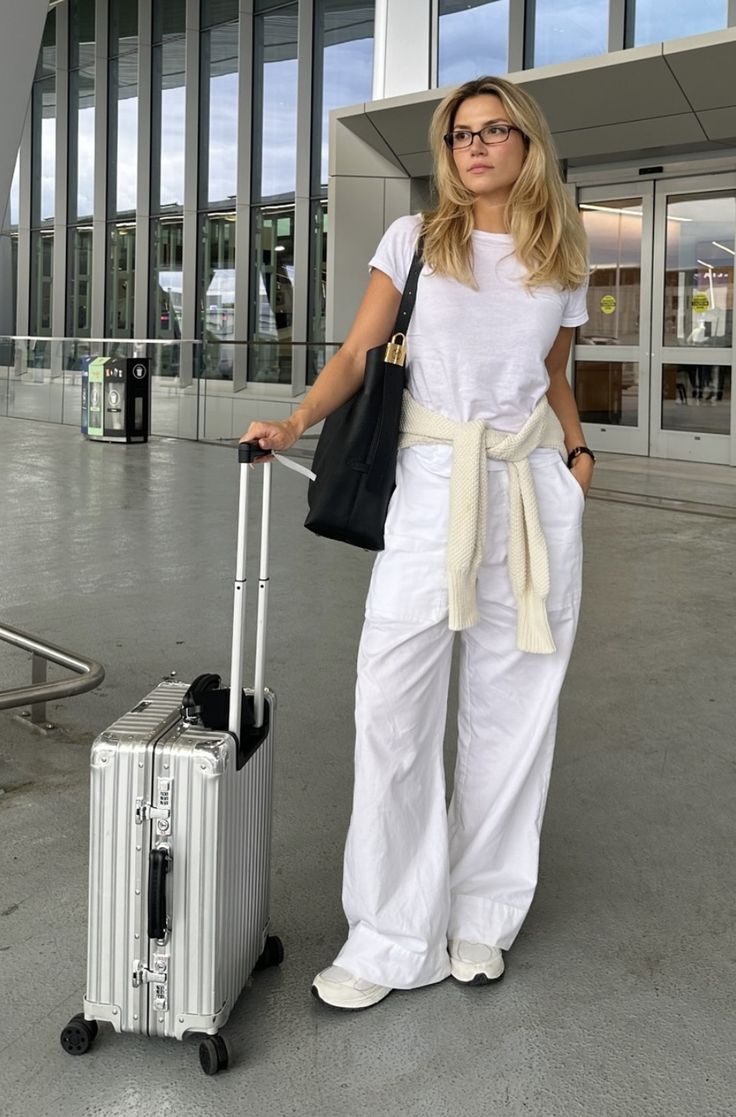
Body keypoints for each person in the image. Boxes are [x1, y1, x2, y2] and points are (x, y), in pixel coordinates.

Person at [241, 75, 593, 1011]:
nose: (474, 146)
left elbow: (556, 375)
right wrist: (296, 418)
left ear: (527, 142)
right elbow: (358, 352)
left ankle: (481, 916)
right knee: (392, 708)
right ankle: (392, 934)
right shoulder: (416, 239)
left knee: (513, 714)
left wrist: (580, 449)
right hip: (433, 484)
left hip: (528, 490)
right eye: (460, 134)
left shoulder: (562, 254)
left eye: (493, 130)